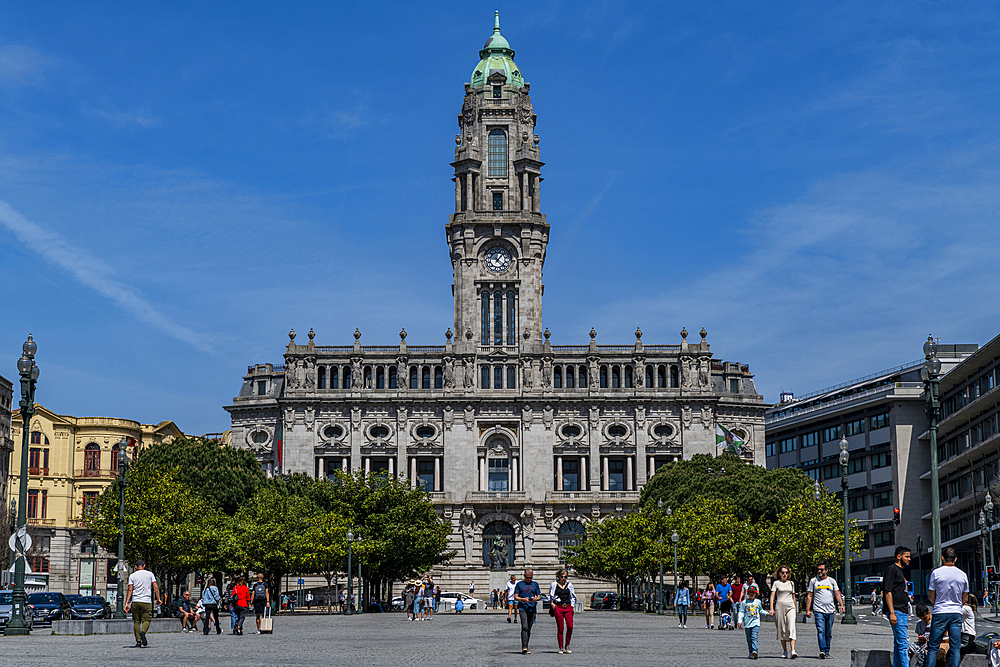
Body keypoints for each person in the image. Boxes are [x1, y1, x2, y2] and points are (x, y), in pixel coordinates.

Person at [926, 547, 969, 667]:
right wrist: (957, 604)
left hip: (940, 611)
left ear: (942, 558)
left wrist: (939, 604)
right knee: (955, 647)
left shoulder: (936, 573)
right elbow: (965, 598)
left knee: (933, 647)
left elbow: (931, 596)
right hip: (956, 612)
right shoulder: (962, 574)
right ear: (955, 559)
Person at [806, 562, 846, 659]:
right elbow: (810, 596)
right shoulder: (813, 581)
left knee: (828, 632)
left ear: (826, 570)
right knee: (820, 630)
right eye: (818, 569)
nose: (819, 571)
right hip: (818, 610)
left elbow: (837, 594)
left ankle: (827, 650)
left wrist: (842, 605)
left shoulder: (831, 581)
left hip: (830, 611)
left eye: (821, 570)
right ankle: (822, 650)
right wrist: (808, 610)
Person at [884, 546, 912, 667]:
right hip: (897, 611)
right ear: (898, 556)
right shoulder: (891, 569)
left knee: (898, 644)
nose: (909, 559)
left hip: (902, 610)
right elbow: (887, 591)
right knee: (903, 644)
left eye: (909, 556)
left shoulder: (901, 571)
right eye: (907, 556)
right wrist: (892, 612)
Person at [124, 559, 160, 649]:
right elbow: (155, 587)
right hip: (147, 601)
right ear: (144, 566)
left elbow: (130, 590)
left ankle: (138, 642)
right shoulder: (150, 574)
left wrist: (127, 602)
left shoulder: (132, 576)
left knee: (136, 622)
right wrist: (158, 598)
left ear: (135, 567)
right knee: (146, 620)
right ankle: (143, 632)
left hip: (135, 601)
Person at [769, 565, 797, 659]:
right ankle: (785, 650)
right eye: (783, 572)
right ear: (779, 573)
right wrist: (771, 608)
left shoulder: (791, 583)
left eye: (786, 572)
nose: (785, 574)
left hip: (790, 607)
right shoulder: (776, 583)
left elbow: (793, 597)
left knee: (791, 627)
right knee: (782, 629)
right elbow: (772, 596)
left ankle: (793, 650)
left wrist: (795, 609)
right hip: (779, 607)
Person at [513, 568, 542, 654]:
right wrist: (523, 599)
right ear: (524, 576)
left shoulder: (535, 584)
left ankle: (526, 645)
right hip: (523, 608)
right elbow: (515, 597)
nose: (529, 579)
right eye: (528, 577)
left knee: (529, 628)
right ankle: (524, 646)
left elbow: (539, 596)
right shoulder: (519, 584)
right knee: (524, 626)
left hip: (532, 608)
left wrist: (535, 598)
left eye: (531, 578)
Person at [549, 568, 577, 654]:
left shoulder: (569, 585)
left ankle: (567, 644)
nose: (563, 578)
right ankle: (560, 646)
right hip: (559, 607)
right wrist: (552, 604)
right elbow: (550, 596)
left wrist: (572, 606)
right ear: (559, 576)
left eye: (565, 576)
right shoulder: (554, 584)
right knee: (560, 628)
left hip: (568, 607)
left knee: (570, 626)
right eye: (562, 577)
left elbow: (573, 596)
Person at [738, 584, 766, 659]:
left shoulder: (758, 602)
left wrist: (767, 613)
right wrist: (739, 621)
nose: (751, 594)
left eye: (753, 592)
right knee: (749, 639)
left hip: (755, 623)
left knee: (754, 637)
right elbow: (741, 612)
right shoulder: (744, 602)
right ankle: (750, 651)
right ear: (747, 593)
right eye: (750, 592)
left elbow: (761, 610)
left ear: (755, 593)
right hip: (747, 623)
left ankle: (755, 650)